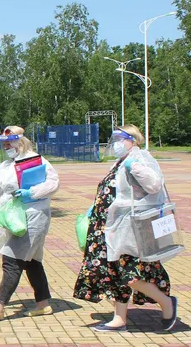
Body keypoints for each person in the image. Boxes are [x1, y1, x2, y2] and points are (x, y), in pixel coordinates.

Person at [73, 124, 178, 332]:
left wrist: (135, 168)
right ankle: (119, 318)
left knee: (129, 273)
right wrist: (94, 208)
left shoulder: (139, 159)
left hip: (129, 228)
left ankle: (167, 303)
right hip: (110, 226)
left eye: (119, 139)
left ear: (132, 139)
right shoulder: (120, 161)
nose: (116, 144)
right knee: (114, 272)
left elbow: (154, 185)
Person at [0, 126, 60, 321]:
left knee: (12, 261)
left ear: (21, 142)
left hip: (34, 216)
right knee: (31, 262)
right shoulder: (5, 166)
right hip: (14, 219)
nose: (7, 146)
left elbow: (53, 183)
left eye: (10, 142)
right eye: (4, 143)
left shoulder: (36, 161)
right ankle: (43, 304)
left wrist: (32, 192)